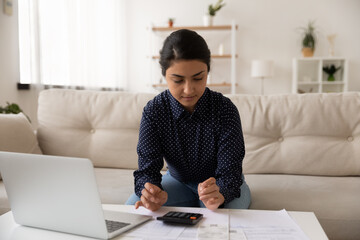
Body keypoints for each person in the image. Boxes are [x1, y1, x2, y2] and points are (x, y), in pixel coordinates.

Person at [125, 29, 251, 211]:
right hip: (177, 182)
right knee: (132, 209)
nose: (188, 90)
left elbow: (230, 172)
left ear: (208, 71)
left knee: (225, 219)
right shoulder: (154, 111)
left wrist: (221, 193)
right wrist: (150, 192)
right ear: (164, 75)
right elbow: (147, 170)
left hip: (219, 184)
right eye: (178, 80)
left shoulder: (225, 109)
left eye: (198, 78)